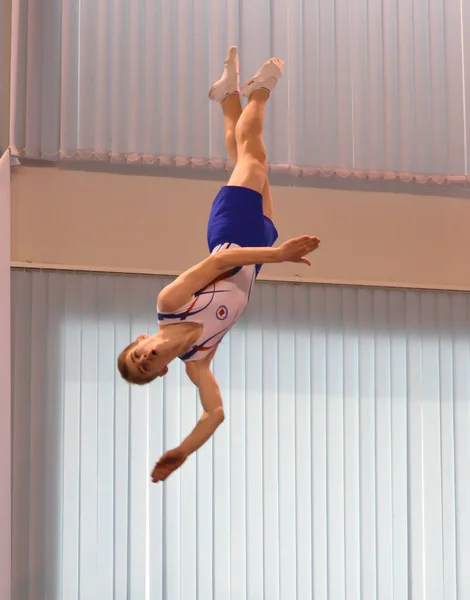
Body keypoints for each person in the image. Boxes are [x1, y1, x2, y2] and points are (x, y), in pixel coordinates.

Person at [117, 48, 320, 482]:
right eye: (147, 366)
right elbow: (215, 413)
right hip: (259, 245)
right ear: (162, 370)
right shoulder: (198, 361)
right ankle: (228, 95)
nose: (148, 357)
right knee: (244, 156)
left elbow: (222, 260)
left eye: (139, 354)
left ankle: (260, 92)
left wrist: (280, 255)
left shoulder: (171, 302)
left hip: (231, 232)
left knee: (254, 159)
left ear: (140, 338)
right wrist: (181, 452)